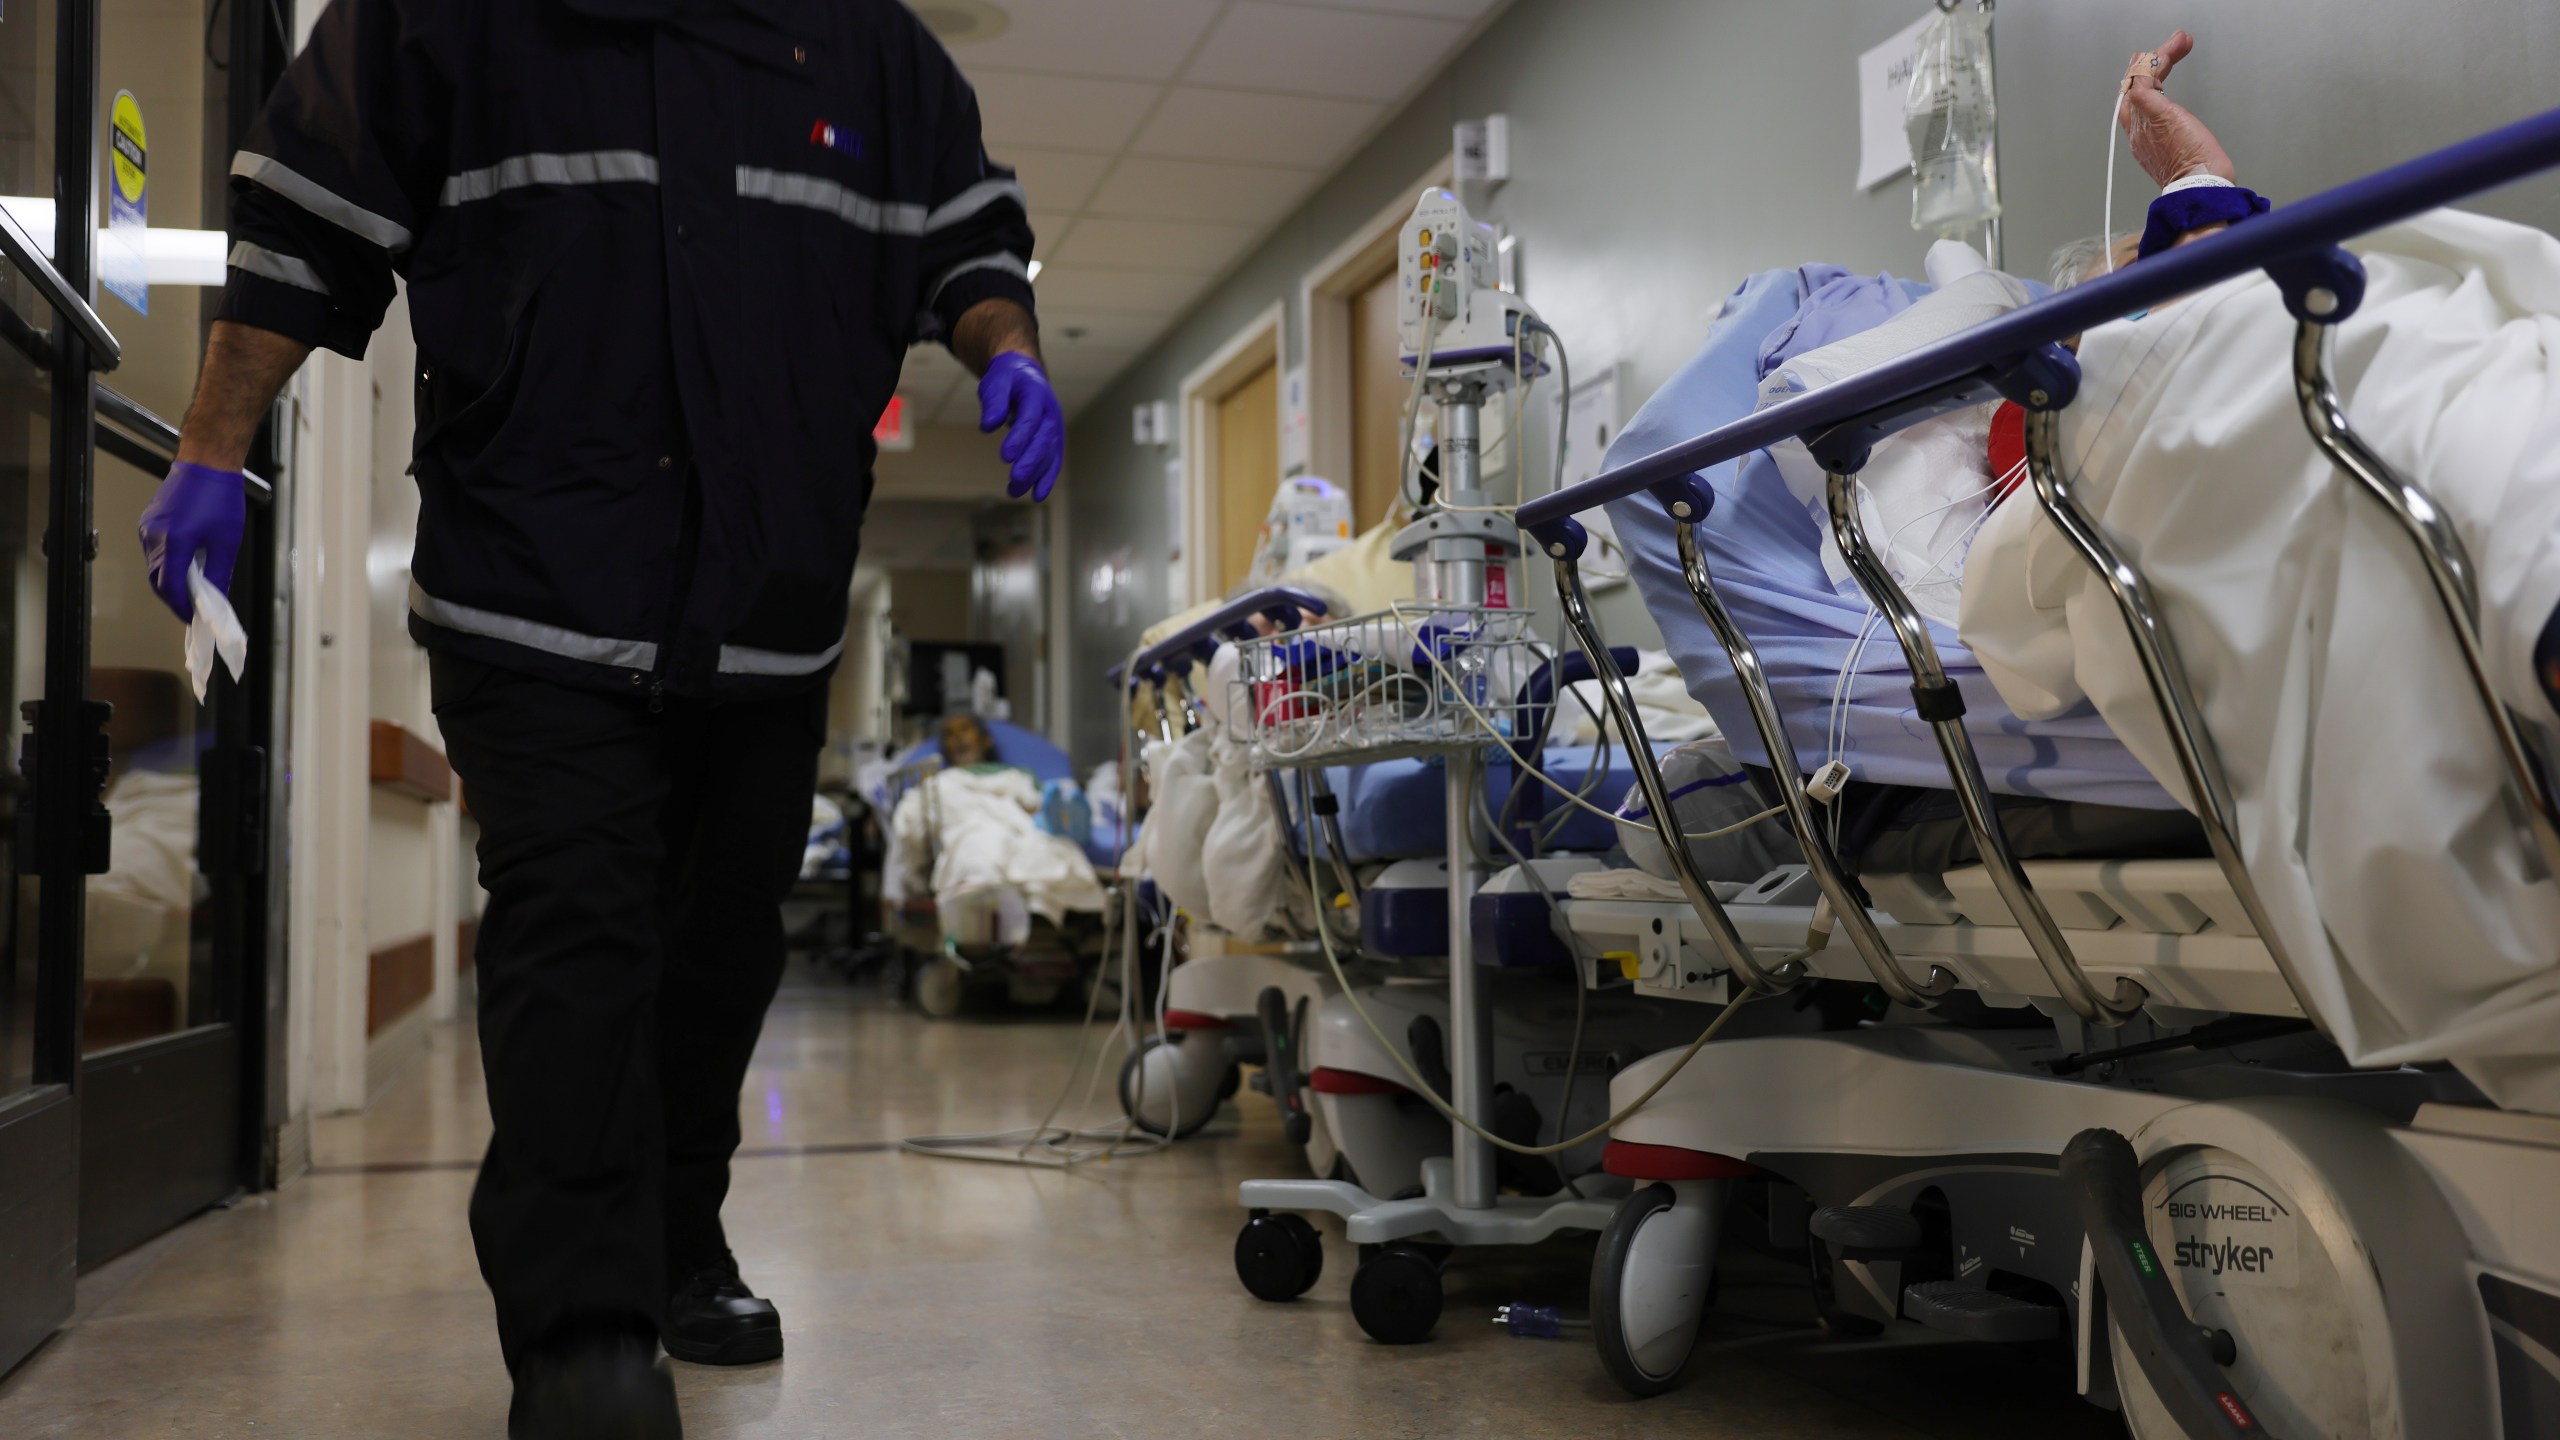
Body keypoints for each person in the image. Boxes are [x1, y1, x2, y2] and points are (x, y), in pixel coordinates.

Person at [132, 2, 1064, 1435]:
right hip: (537, 580)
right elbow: (302, 219)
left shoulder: (870, 47)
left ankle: (681, 1239)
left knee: (719, 950)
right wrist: (209, 446)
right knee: (580, 926)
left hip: (769, 596)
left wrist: (1009, 346)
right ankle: (582, 1337)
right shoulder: (449, 21)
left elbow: (970, 235)